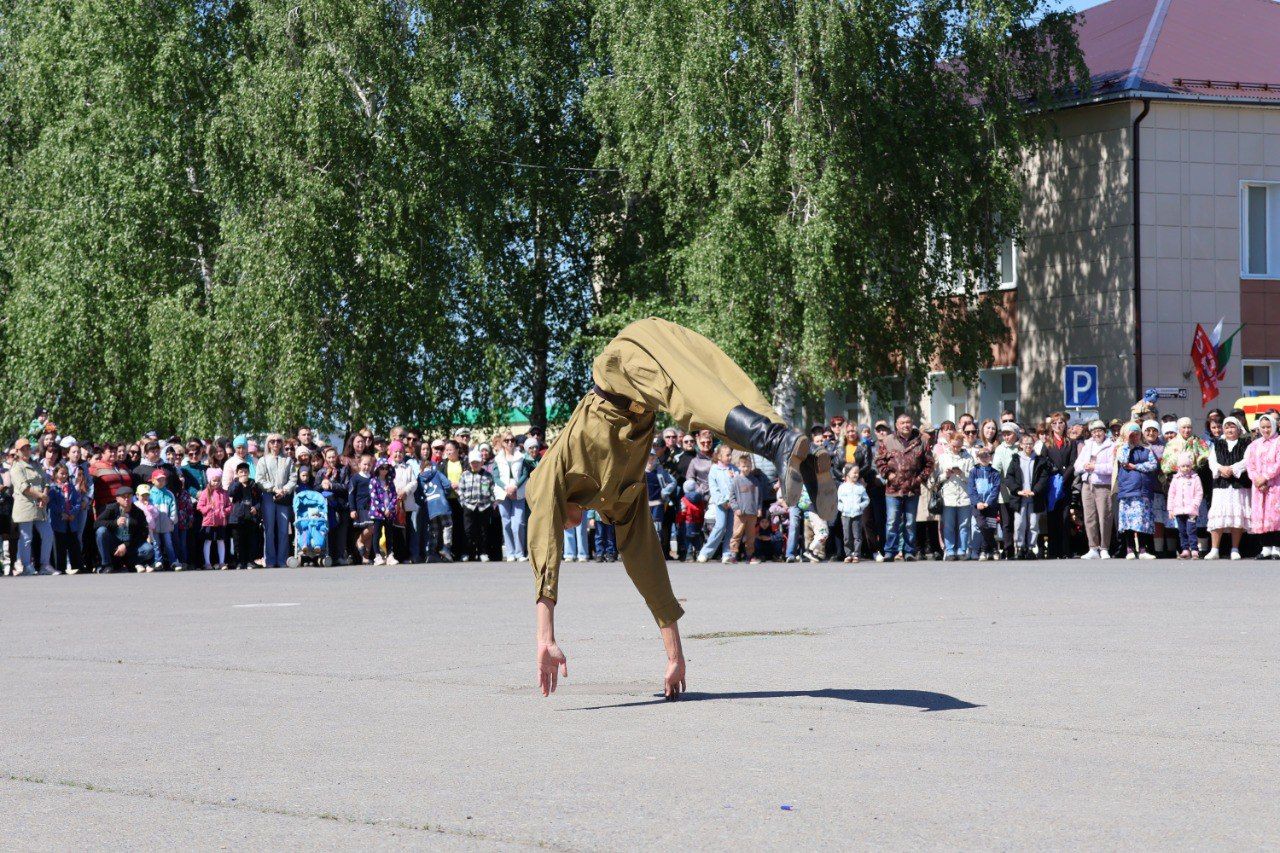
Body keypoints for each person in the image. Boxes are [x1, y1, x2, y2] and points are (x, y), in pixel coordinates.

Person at [525, 317, 832, 699]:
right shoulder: (616, 501)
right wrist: (676, 657)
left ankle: (778, 442)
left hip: (626, 364)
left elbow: (544, 549)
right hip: (650, 361)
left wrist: (545, 636)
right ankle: (794, 447)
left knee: (694, 404)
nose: (568, 528)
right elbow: (646, 565)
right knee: (726, 393)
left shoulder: (548, 478)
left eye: (562, 523)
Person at [874, 413, 934, 562]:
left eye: (908, 422)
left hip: (912, 488)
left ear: (912, 423)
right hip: (893, 489)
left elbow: (929, 463)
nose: (905, 425)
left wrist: (920, 479)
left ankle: (909, 551)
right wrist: (888, 475)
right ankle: (890, 551)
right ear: (897, 425)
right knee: (892, 521)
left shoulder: (921, 440)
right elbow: (879, 461)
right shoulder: (888, 440)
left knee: (909, 522)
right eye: (902, 423)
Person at [1206, 416, 1251, 560]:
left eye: (1232, 427)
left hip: (1239, 485)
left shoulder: (1246, 443)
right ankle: (1214, 549)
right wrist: (1221, 468)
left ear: (1239, 429)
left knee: (1236, 515)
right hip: (1221, 485)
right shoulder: (1217, 444)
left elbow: (1247, 460)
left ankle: (1235, 549)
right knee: (1218, 516)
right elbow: (1212, 461)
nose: (1229, 430)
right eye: (1227, 427)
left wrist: (1232, 468)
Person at [1113, 423, 1159, 560]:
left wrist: (1136, 466)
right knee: (1128, 521)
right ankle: (1130, 549)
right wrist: (1127, 442)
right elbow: (1123, 460)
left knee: (1142, 521)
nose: (1135, 436)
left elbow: (1153, 465)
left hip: (1143, 491)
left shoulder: (1146, 449)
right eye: (1132, 434)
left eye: (1137, 433)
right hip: (1128, 490)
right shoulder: (1121, 448)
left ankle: (1143, 550)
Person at [10, 438, 54, 575]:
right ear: (17, 451)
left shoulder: (36, 464)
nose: (26, 450)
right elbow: (24, 488)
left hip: (40, 506)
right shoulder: (16, 467)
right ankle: (26, 566)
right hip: (25, 506)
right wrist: (41, 496)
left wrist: (44, 496)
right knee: (26, 538)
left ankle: (45, 565)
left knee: (48, 534)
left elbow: (46, 481)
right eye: (23, 448)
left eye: (28, 447)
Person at [1075, 420, 1116, 560]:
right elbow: (1077, 465)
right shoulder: (1087, 445)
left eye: (1099, 430)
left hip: (1103, 485)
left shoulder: (1111, 445)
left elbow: (1112, 467)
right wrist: (1084, 467)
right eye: (1094, 431)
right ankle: (1093, 547)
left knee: (1105, 516)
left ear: (1105, 431)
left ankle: (1104, 547)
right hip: (1087, 484)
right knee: (1089, 517)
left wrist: (1096, 467)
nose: (1096, 433)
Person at [255, 434, 296, 568]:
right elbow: (259, 479)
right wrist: (273, 489)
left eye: (278, 441)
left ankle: (282, 559)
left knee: (284, 529)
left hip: (284, 497)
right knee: (269, 529)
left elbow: (293, 479)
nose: (275, 443)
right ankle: (270, 560)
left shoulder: (288, 460)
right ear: (268, 444)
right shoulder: (263, 460)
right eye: (272, 441)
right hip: (268, 496)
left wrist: (284, 490)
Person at [1041, 412, 1077, 559]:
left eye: (1060, 423)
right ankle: (1053, 551)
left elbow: (1073, 462)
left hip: (1065, 484)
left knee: (1064, 517)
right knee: (1053, 517)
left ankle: (1065, 550)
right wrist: (1054, 473)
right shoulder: (1047, 443)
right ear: (1051, 426)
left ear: (1065, 424)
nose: (1058, 426)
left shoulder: (1070, 442)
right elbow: (1043, 462)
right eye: (1054, 423)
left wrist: (1064, 477)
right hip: (1052, 486)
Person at [492, 432, 532, 562]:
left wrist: (515, 486)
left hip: (518, 492)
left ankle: (519, 553)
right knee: (507, 523)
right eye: (507, 440)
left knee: (519, 523)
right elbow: (496, 477)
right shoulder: (497, 459)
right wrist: (506, 488)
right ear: (503, 443)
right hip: (503, 493)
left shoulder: (522, 457)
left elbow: (525, 473)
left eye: (512, 440)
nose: (510, 443)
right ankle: (510, 552)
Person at [1244, 413, 1280, 559]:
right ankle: (1265, 547)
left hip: (1275, 485)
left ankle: (1277, 548)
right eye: (1263, 427)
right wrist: (1257, 480)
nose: (1265, 430)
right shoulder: (1254, 445)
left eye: (1268, 427)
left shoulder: (1278, 441)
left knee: (1276, 516)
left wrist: (1265, 478)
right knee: (1262, 515)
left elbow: (1278, 464)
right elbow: (1250, 464)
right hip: (1259, 486)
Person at [94, 486, 153, 573]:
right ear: (117, 499)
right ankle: (106, 565)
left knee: (148, 549)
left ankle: (130, 563)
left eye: (129, 496)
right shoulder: (111, 509)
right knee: (101, 531)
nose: (126, 499)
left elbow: (142, 533)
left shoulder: (138, 512)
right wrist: (115, 523)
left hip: (130, 544)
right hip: (114, 543)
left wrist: (126, 545)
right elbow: (96, 523)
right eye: (123, 497)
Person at [935, 431, 974, 561]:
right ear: (949, 444)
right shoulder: (943, 457)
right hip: (948, 496)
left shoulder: (968, 457)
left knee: (964, 525)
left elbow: (973, 478)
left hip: (964, 496)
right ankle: (950, 550)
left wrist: (961, 474)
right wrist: (945, 475)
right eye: (953, 446)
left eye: (958, 446)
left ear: (962, 444)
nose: (956, 448)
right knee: (949, 525)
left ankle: (962, 549)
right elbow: (936, 479)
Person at [698, 444, 736, 563]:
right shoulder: (714, 469)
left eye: (731, 455)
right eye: (727, 455)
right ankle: (705, 552)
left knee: (731, 529)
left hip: (733, 503)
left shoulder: (733, 469)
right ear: (719, 456)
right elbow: (714, 488)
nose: (730, 457)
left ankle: (727, 553)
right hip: (721, 504)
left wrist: (734, 476)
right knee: (720, 526)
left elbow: (739, 481)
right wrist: (722, 501)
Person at [458, 450, 498, 562]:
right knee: (468, 530)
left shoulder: (487, 475)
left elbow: (492, 490)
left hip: (483, 507)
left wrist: (490, 502)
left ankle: (483, 552)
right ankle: (467, 553)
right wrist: (463, 503)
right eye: (473, 462)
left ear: (481, 462)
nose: (475, 464)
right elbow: (460, 490)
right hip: (468, 506)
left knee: (483, 531)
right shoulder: (465, 475)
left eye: (477, 462)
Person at [727, 452, 767, 565]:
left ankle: (749, 556)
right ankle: (733, 555)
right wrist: (736, 508)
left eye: (748, 466)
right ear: (739, 466)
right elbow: (732, 497)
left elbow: (759, 496)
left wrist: (759, 508)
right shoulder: (736, 480)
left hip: (752, 513)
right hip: (740, 513)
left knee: (751, 535)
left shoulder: (755, 481)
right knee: (737, 534)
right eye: (744, 466)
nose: (746, 468)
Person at [414, 459, 454, 562]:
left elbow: (417, 495)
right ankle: (446, 548)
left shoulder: (419, 478)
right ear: (431, 466)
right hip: (442, 504)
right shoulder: (437, 473)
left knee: (433, 529)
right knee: (447, 526)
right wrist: (445, 495)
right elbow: (447, 485)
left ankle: (431, 553)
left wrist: (423, 502)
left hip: (430, 507)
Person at [1166, 452, 1204, 560]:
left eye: (1188, 466)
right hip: (1178, 510)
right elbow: (1171, 494)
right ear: (1179, 467)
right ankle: (1185, 549)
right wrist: (1170, 509)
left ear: (1191, 466)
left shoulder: (1195, 478)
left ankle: (1195, 550)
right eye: (1183, 466)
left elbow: (1199, 492)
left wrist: (1195, 505)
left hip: (1191, 510)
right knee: (1182, 531)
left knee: (1191, 530)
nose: (1186, 468)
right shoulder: (1176, 479)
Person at [967, 445, 1002, 560]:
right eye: (981, 456)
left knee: (991, 527)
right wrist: (977, 502)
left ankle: (984, 552)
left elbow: (996, 489)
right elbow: (971, 489)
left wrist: (988, 502)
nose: (984, 458)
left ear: (990, 457)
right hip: (977, 506)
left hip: (990, 506)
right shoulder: (973, 472)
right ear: (977, 458)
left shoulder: (995, 473)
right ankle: (993, 549)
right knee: (982, 525)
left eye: (986, 456)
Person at [47, 463, 82, 574]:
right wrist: (61, 513)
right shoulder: (53, 488)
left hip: (71, 521)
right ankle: (59, 567)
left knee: (73, 543)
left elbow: (77, 502)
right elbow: (51, 504)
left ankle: (77, 565)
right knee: (59, 545)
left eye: (66, 473)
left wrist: (72, 513)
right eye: (61, 473)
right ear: (56, 474)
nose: (64, 476)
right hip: (59, 521)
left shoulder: (71, 487)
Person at [227, 463, 263, 570]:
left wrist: (256, 508)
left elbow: (259, 499)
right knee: (238, 541)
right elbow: (231, 493)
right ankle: (239, 562)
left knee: (251, 540)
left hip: (250, 517)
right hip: (237, 517)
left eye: (245, 472)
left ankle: (250, 561)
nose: (243, 474)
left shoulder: (253, 484)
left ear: (249, 473)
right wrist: (239, 482)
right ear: (237, 474)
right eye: (241, 472)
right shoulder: (234, 483)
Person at [197, 469, 232, 569]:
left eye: (218, 480)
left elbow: (229, 505)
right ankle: (207, 563)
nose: (216, 482)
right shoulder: (205, 492)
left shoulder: (224, 493)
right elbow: (200, 506)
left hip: (220, 521)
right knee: (208, 541)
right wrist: (208, 508)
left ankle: (222, 562)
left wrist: (224, 511)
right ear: (209, 480)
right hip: (209, 522)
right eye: (214, 480)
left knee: (221, 540)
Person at [147, 470, 181, 570]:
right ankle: (158, 561)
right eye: (158, 480)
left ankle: (173, 561)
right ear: (153, 481)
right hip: (154, 524)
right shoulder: (149, 494)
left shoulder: (169, 494)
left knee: (168, 543)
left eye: (163, 479)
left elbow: (173, 507)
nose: (161, 482)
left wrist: (172, 520)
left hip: (166, 523)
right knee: (156, 543)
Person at [369, 461, 399, 565]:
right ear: (377, 469)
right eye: (382, 468)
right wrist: (383, 509)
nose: (384, 470)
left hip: (389, 512)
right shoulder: (373, 481)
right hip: (378, 513)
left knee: (389, 534)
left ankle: (390, 554)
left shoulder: (390, 482)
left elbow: (395, 496)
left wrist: (389, 508)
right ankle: (377, 555)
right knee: (377, 534)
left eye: (386, 468)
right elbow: (374, 498)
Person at [836, 466, 869, 563]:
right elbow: (838, 501)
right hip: (845, 514)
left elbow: (866, 500)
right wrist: (842, 508)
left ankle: (856, 554)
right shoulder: (842, 487)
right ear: (847, 474)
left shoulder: (860, 487)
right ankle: (848, 554)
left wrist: (860, 507)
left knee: (857, 536)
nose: (856, 475)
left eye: (857, 473)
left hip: (857, 514)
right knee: (847, 536)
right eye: (854, 472)